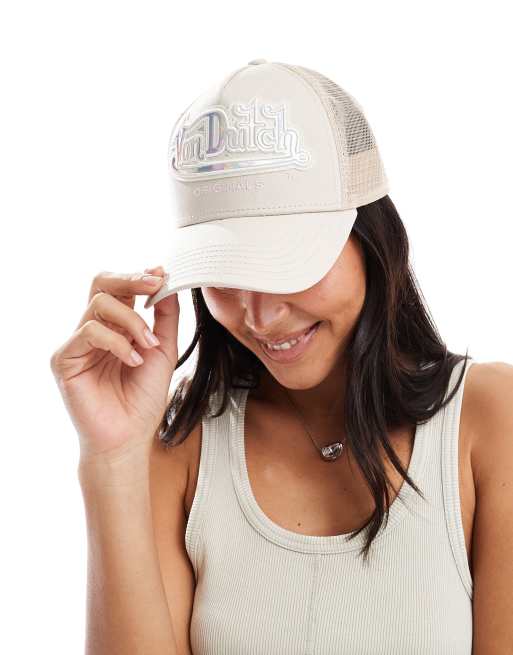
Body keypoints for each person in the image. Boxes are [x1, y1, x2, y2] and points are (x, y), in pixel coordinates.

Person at [50, 60, 513, 654]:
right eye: (224, 273)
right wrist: (111, 460)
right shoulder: (183, 449)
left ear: (372, 239)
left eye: (287, 263)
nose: (260, 317)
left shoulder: (489, 422)